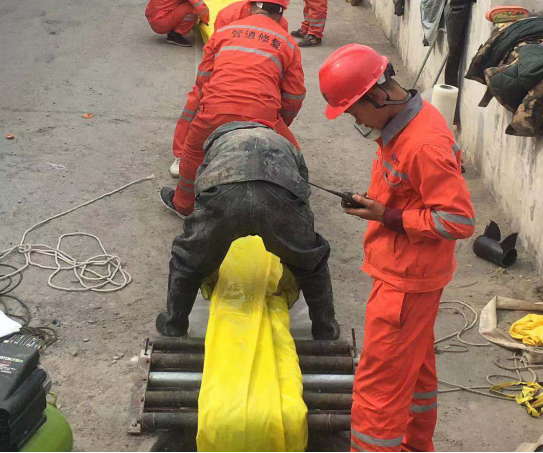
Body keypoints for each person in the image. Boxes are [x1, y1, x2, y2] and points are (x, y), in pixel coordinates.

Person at [319, 44, 476, 452]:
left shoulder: (422, 143)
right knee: (416, 376)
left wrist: (388, 218)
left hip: (406, 284)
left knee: (379, 389)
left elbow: (457, 220)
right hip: (412, 276)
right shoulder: (408, 122)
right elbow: (414, 195)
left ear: (376, 95)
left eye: (354, 112)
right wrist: (382, 210)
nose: (357, 121)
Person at [157, 122, 340, 341]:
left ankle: (173, 324)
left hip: (224, 191)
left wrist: (205, 255)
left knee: (186, 261)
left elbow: (200, 189)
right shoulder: (285, 144)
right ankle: (325, 329)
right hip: (279, 193)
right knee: (312, 264)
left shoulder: (217, 143)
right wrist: (298, 253)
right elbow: (302, 195)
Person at [163, 0, 305, 218]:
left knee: (192, 152)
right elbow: (294, 96)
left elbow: (203, 80)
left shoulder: (225, 30)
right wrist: (279, 123)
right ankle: (293, 209)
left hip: (216, 109)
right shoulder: (287, 42)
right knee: (293, 156)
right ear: (281, 13)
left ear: (250, 6)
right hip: (263, 114)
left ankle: (184, 205)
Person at [145, 0, 210, 47]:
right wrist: (206, 20)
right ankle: (175, 35)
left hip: (155, 17)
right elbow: (200, 7)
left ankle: (173, 30)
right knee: (192, 7)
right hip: (160, 22)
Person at [214, 0, 289, 32]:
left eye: (277, 9)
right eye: (266, 7)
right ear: (251, 5)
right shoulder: (228, 16)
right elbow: (214, 49)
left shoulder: (281, 24)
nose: (269, 13)